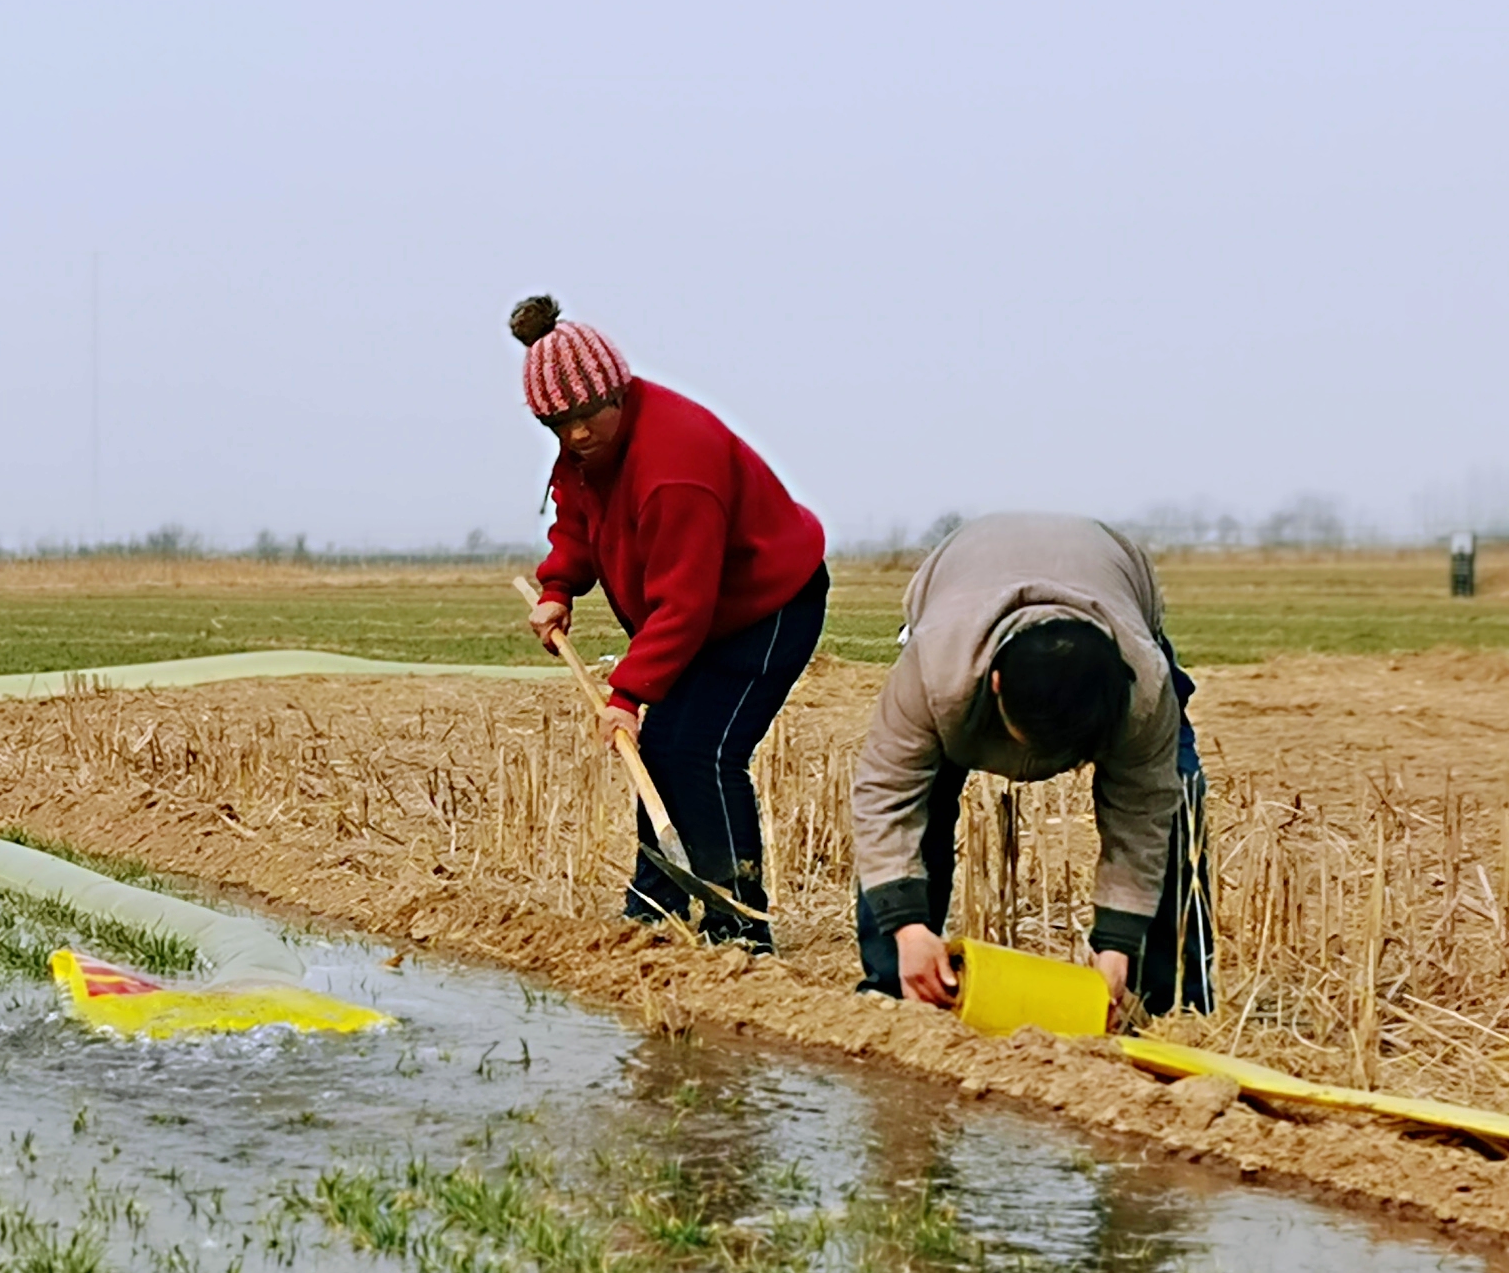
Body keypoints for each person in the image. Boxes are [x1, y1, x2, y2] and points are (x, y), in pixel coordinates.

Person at [515, 294, 830, 948]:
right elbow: (578, 515)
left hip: (768, 603)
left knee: (702, 754)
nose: (577, 435)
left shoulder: (675, 466)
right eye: (560, 424)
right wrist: (559, 586)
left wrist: (626, 695)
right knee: (660, 752)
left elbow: (683, 603)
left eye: (587, 417)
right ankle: (654, 911)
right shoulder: (587, 453)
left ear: (617, 393)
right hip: (705, 611)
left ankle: (738, 927)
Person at [851, 511, 1214, 1014]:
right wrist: (906, 926)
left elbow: (1145, 810)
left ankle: (1172, 1005)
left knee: (1179, 799)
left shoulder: (1142, 689)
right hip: (963, 583)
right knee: (922, 799)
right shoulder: (935, 669)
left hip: (1112, 583)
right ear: (996, 684)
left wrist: (1118, 941)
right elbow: (886, 794)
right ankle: (898, 987)